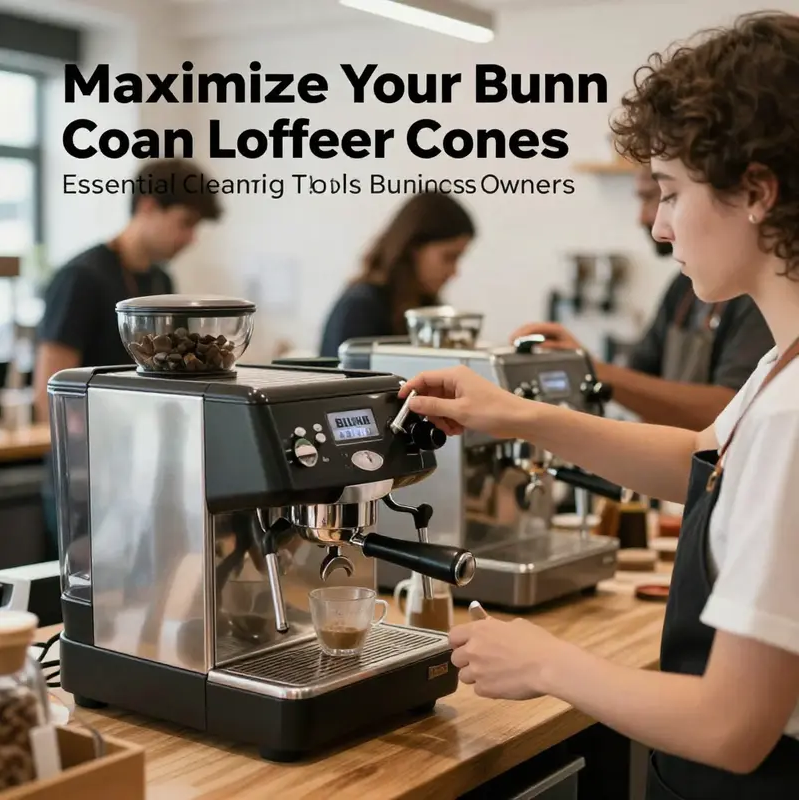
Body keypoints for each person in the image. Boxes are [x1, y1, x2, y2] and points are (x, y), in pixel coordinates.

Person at [398, 12, 799, 798]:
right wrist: (515, 414)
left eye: (672, 193)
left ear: (756, 192)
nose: (659, 224)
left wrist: (547, 663)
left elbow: (730, 726)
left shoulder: (793, 415)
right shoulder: (780, 368)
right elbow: (701, 457)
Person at [34, 157, 222, 555]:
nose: (191, 238)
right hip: (86, 479)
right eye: (185, 222)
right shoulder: (82, 278)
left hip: (140, 476)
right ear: (148, 206)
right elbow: (49, 394)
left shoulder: (160, 281)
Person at [510, 166, 774, 432]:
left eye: (666, 197)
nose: (650, 223)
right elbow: (641, 380)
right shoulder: (684, 286)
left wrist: (589, 368)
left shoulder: (756, 293)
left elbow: (731, 411)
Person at [318, 192, 476, 358]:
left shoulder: (424, 306)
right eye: (449, 257)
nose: (454, 272)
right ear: (412, 249)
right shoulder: (361, 308)